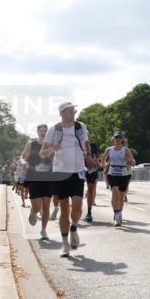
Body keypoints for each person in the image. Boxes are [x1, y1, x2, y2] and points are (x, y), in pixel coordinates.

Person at [41, 102, 91, 257]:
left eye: (74, 110)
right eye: (70, 111)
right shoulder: (54, 130)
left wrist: (88, 155)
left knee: (77, 205)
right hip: (60, 173)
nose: (73, 113)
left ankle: (74, 227)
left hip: (78, 171)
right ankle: (64, 244)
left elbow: (87, 143)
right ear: (62, 113)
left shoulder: (80, 127)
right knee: (64, 209)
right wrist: (52, 149)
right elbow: (43, 153)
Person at [22, 124, 54, 240]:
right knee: (37, 206)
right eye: (41, 130)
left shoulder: (51, 145)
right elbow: (22, 157)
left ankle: (43, 230)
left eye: (45, 131)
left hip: (48, 178)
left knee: (46, 205)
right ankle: (33, 211)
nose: (43, 133)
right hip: (34, 178)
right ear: (37, 132)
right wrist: (24, 163)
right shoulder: (31, 144)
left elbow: (57, 158)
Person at [102, 132, 136, 226]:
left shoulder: (126, 150)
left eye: (119, 137)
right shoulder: (109, 149)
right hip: (112, 173)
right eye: (116, 137)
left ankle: (119, 213)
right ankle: (116, 216)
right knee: (115, 193)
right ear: (113, 139)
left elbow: (133, 162)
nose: (117, 139)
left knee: (121, 196)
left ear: (122, 140)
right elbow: (103, 158)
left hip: (123, 174)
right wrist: (104, 166)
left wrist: (130, 161)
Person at [83, 142, 101, 223]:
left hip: (91, 168)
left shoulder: (93, 145)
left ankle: (89, 212)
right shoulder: (75, 143)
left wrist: (97, 161)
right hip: (79, 169)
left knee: (91, 189)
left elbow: (97, 156)